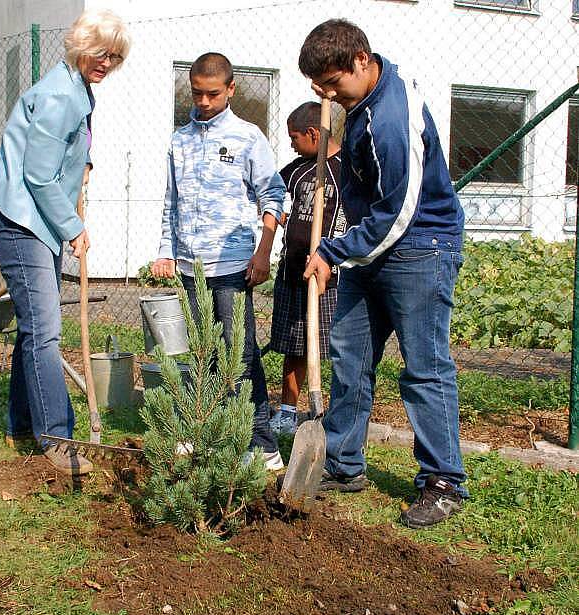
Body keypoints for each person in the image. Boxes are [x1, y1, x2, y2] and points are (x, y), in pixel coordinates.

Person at [299, 19, 467, 527]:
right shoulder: (358, 103)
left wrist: (333, 251)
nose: (326, 95)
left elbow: (398, 212)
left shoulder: (393, 117)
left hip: (419, 247)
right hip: (370, 251)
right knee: (349, 357)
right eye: (318, 87)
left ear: (361, 62)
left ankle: (443, 482)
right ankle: (344, 462)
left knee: (424, 367)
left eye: (332, 84)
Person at [0, 10, 130, 475]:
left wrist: (83, 165)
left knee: (33, 329)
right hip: (19, 218)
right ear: (82, 46)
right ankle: (58, 439)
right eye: (102, 52)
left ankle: (21, 425)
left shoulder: (79, 90)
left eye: (116, 57)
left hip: (35, 218)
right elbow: (38, 175)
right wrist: (74, 228)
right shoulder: (61, 94)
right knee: (45, 331)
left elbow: (57, 157)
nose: (107, 62)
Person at [151, 52, 286, 471]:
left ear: (230, 90)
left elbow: (273, 195)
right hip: (191, 267)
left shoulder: (249, 137)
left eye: (213, 94)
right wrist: (165, 250)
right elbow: (170, 202)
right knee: (201, 353)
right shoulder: (179, 139)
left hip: (233, 266)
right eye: (197, 93)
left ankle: (263, 445)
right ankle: (199, 432)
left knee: (240, 354)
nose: (204, 102)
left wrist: (263, 252)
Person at [268, 101, 345, 436]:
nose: (292, 144)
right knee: (293, 345)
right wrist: (278, 214)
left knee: (335, 347)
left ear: (314, 133)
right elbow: (269, 193)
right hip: (292, 271)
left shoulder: (347, 170)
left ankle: (334, 414)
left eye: (295, 138)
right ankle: (287, 411)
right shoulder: (298, 170)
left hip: (330, 276)